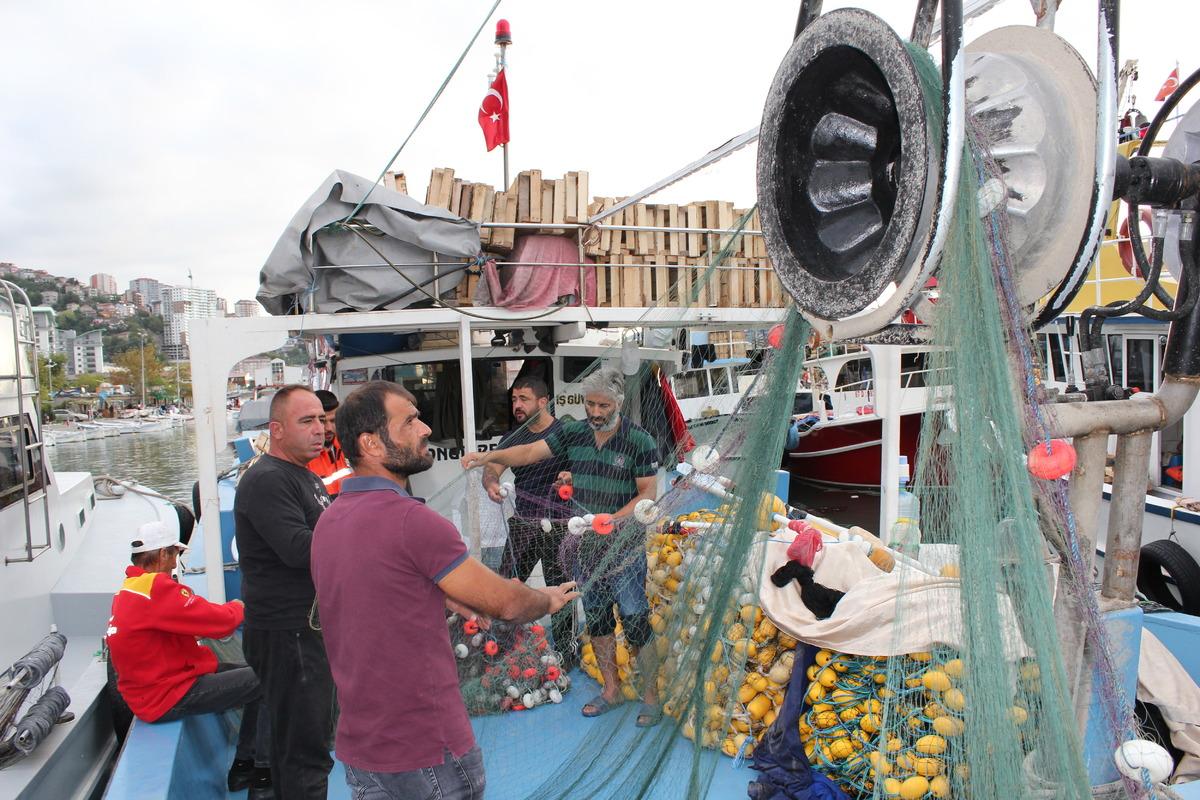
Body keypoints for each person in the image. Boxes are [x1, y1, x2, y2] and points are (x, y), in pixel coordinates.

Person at [312, 380, 578, 800]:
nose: (426, 430)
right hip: (425, 749)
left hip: (362, 750)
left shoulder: (329, 521)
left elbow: (378, 594)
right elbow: (508, 603)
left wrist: (438, 593)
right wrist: (546, 599)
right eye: (410, 421)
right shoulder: (413, 522)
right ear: (372, 444)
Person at [462, 367, 661, 726]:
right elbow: (527, 453)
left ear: (619, 402)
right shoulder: (574, 433)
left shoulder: (640, 441)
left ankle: (651, 696)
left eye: (603, 405)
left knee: (634, 619)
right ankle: (612, 690)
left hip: (625, 550)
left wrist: (614, 519)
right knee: (598, 620)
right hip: (586, 549)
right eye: (590, 404)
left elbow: (648, 495)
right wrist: (488, 458)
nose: (596, 412)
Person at [106, 521, 270, 797]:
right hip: (168, 695)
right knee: (270, 679)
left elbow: (188, 620)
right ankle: (260, 775)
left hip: (155, 689)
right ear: (162, 555)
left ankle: (245, 763)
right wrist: (240, 607)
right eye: (174, 555)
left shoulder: (127, 590)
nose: (174, 564)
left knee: (253, 672)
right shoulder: (156, 588)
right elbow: (219, 623)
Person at [234, 384, 334, 800]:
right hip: (288, 632)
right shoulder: (267, 480)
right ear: (275, 429)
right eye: (307, 421)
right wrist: (362, 533)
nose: (321, 430)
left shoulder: (304, 475)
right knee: (305, 750)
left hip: (304, 629)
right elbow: (298, 549)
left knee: (298, 740)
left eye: (323, 420)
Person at [480, 376, 577, 665]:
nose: (517, 405)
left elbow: (584, 465)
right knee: (507, 585)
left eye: (523, 399)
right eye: (514, 400)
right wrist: (490, 483)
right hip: (523, 523)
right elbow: (492, 467)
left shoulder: (565, 432)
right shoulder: (513, 438)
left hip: (560, 526)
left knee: (561, 588)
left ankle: (566, 653)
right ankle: (501, 647)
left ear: (543, 402)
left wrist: (572, 475)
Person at [306, 389, 350, 496]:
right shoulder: (303, 458)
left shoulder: (349, 447)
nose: (329, 428)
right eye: (323, 421)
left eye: (333, 421)